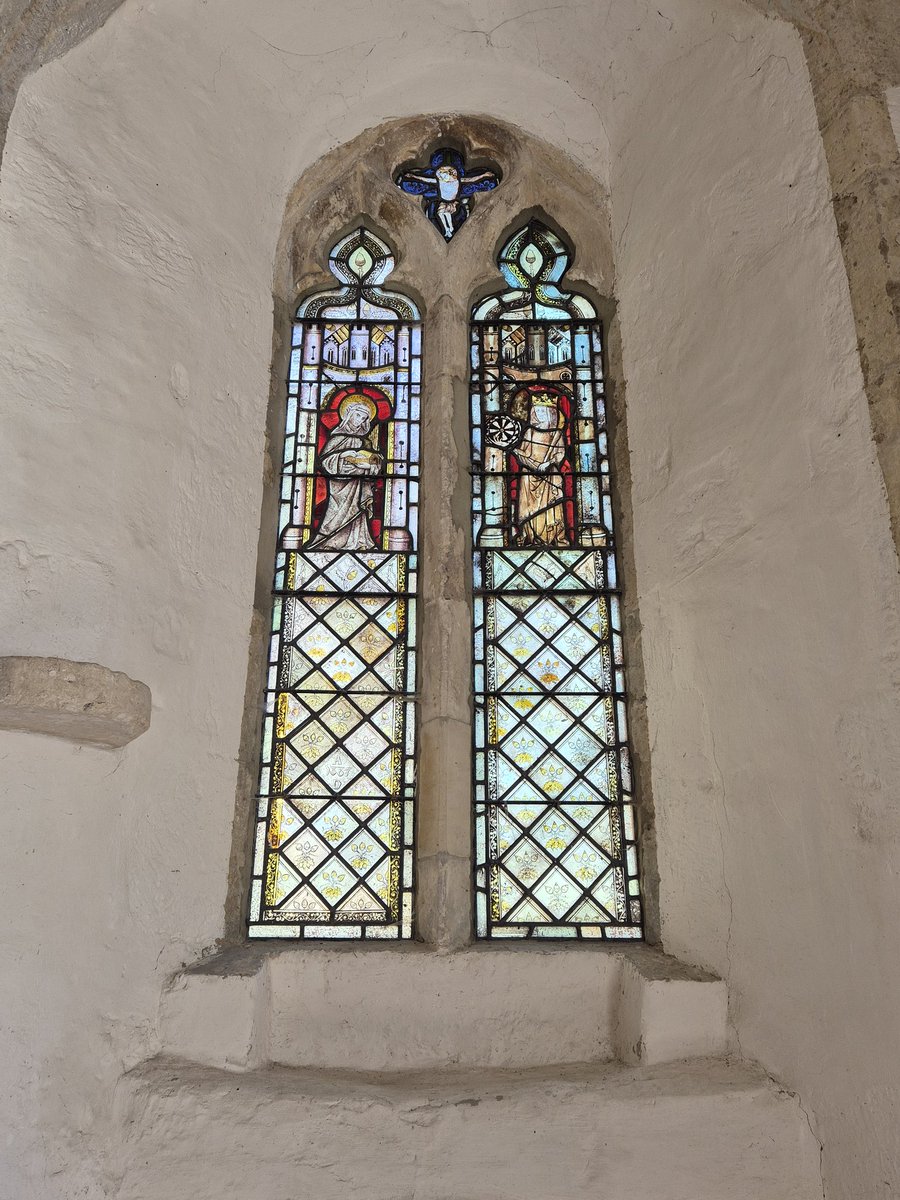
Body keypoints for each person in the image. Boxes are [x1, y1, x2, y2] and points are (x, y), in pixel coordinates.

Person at [307, 396, 383, 550]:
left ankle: (359, 541)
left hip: (358, 485)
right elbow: (325, 461)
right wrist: (342, 456)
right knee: (335, 514)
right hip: (339, 486)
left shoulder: (365, 442)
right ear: (349, 415)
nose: (360, 421)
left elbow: (374, 464)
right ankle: (329, 541)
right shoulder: (336, 438)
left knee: (358, 511)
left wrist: (372, 462)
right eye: (358, 416)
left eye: (363, 418)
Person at [513, 394, 569, 546]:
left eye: (544, 412)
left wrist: (549, 463)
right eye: (538, 412)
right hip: (529, 476)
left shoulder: (556, 434)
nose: (540, 415)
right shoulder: (529, 432)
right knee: (529, 509)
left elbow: (559, 454)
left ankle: (550, 538)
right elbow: (522, 452)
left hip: (549, 476)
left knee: (548, 508)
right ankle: (530, 537)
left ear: (552, 414)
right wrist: (527, 460)